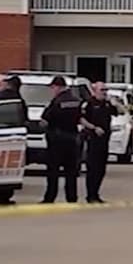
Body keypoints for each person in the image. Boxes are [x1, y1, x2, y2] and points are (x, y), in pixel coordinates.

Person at [40, 75, 82, 204]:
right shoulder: (76, 100)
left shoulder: (56, 101)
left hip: (57, 140)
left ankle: (50, 197)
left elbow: (45, 120)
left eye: (53, 88)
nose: (52, 90)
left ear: (57, 87)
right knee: (71, 172)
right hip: (72, 139)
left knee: (53, 171)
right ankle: (72, 197)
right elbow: (80, 118)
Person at [79, 82, 114, 204]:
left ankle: (96, 194)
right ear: (94, 91)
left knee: (101, 170)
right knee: (92, 169)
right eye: (102, 90)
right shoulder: (89, 103)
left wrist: (114, 101)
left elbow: (121, 111)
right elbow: (81, 119)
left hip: (104, 141)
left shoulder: (107, 103)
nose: (104, 92)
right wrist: (94, 128)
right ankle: (90, 195)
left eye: (106, 89)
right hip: (92, 139)